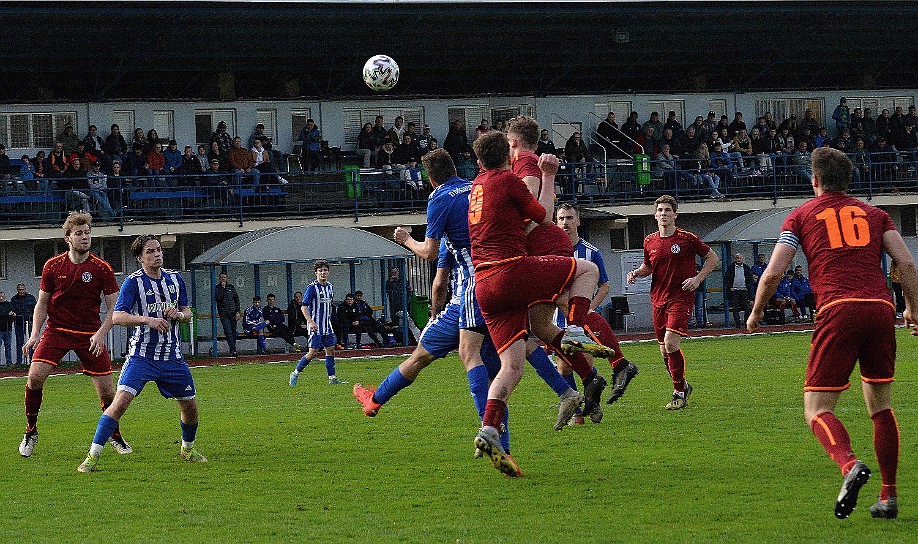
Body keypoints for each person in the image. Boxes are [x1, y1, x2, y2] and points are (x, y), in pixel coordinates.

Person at [747, 146, 917, 519]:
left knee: (817, 409)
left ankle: (849, 465)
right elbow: (904, 260)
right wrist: (913, 309)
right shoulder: (877, 214)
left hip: (838, 310)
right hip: (880, 310)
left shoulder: (801, 216)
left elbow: (774, 271)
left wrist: (757, 310)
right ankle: (888, 496)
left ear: (815, 181)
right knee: (881, 405)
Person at [467, 131, 610, 475]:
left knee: (511, 366)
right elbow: (544, 214)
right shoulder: (507, 179)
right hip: (511, 271)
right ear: (508, 155)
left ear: (477, 161)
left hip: (483, 287)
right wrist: (547, 176)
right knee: (588, 270)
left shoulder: (476, 187)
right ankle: (576, 329)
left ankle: (489, 428)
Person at [77, 234, 205, 472]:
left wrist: (178, 315)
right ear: (139, 258)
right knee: (120, 403)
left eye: (158, 250)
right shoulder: (133, 283)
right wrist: (148, 320)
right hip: (141, 356)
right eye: (150, 251)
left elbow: (188, 312)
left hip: (171, 356)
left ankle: (187, 449)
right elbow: (117, 316)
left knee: (190, 407)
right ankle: (92, 456)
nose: (157, 254)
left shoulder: (175, 279)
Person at [19, 212, 132, 458]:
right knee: (35, 377)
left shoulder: (101, 268)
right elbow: (42, 303)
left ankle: (115, 435)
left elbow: (115, 307)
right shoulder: (53, 265)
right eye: (79, 233)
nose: (85, 237)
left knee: (107, 393)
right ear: (68, 238)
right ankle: (31, 430)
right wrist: (35, 333)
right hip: (57, 331)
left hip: (90, 334)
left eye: (87, 232)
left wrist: (102, 333)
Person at [627, 195, 719, 410]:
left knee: (671, 343)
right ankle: (683, 385)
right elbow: (648, 267)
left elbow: (712, 258)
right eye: (660, 210)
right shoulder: (649, 241)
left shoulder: (687, 239)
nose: (663, 214)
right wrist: (636, 274)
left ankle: (678, 394)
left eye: (667, 210)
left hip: (681, 297)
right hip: (658, 298)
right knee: (664, 351)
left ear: (675, 214)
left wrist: (697, 279)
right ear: (655, 214)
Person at [555, 203, 639, 407]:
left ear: (578, 221)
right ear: (555, 222)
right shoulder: (552, 252)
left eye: (569, 218)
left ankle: (591, 405)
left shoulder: (591, 252)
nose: (565, 223)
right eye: (561, 218)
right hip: (558, 318)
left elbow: (604, 285)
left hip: (581, 316)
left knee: (586, 361)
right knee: (564, 368)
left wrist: (589, 307)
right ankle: (581, 404)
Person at [289, 261, 346, 385]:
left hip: (327, 326)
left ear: (328, 272)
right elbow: (304, 307)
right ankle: (295, 373)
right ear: (316, 273)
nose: (323, 273)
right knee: (313, 353)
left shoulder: (330, 287)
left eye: (325, 270)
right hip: (315, 326)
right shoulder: (312, 288)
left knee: (330, 350)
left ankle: (332, 378)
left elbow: (329, 305)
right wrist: (310, 322)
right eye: (320, 271)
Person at [385, 266, 422, 343]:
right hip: (393, 305)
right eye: (392, 273)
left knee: (408, 321)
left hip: (403, 305)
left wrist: (407, 301)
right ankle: (399, 340)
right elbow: (387, 290)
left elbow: (407, 290)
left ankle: (414, 339)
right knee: (394, 323)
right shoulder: (389, 282)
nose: (394, 274)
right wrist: (391, 282)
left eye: (395, 272)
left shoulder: (403, 280)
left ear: (398, 273)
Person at [724, 253, 754, 328]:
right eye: (737, 258)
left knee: (747, 308)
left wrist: (747, 287)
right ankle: (737, 324)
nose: (739, 260)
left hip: (744, 290)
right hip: (734, 291)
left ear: (742, 259)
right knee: (735, 308)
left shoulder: (746, 267)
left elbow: (750, 279)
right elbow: (726, 279)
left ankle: (746, 322)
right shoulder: (730, 267)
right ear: (735, 259)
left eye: (740, 258)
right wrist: (730, 287)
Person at [10, 283, 36, 365]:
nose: (21, 291)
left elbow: (35, 309)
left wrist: (33, 320)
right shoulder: (14, 299)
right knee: (19, 342)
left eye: (22, 289)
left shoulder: (31, 298)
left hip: (29, 322)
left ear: (25, 289)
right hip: (18, 323)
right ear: (17, 290)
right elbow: (12, 309)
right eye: (20, 290)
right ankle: (19, 361)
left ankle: (32, 359)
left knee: (31, 341)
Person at [214, 272, 240, 356]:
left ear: (227, 278)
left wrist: (238, 312)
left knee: (234, 332)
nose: (223, 279)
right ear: (219, 278)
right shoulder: (217, 288)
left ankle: (233, 347)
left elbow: (236, 300)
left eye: (224, 277)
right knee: (228, 332)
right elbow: (218, 298)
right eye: (221, 277)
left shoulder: (231, 287)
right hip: (224, 314)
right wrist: (223, 288)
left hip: (233, 313)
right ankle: (233, 350)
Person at [0, 291, 12, 367]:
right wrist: (7, 314)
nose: (1, 298)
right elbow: (2, 313)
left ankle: (9, 363)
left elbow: (13, 312)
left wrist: (12, 314)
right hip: (0, 329)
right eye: (0, 297)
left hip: (8, 328)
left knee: (8, 347)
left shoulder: (8, 304)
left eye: (2, 297)